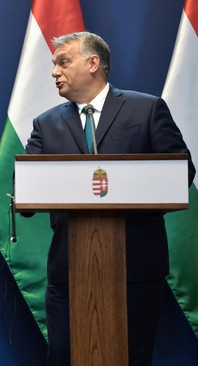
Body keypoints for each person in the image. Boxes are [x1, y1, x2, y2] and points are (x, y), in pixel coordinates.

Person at [24, 31, 195, 366]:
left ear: (93, 63)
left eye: (63, 62)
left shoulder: (146, 109)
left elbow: (181, 172)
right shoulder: (45, 124)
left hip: (136, 268)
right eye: (53, 64)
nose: (54, 72)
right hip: (68, 273)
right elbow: (26, 186)